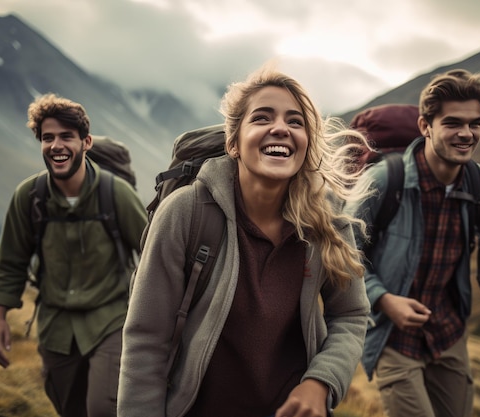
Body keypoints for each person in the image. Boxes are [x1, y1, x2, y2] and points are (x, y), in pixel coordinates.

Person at [117, 65, 372, 417]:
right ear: (233, 143)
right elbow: (146, 338)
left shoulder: (326, 222)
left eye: (295, 122)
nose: (280, 128)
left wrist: (322, 382)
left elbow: (351, 314)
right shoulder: (187, 213)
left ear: (307, 145)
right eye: (262, 118)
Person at [351, 69, 480, 417]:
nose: (466, 133)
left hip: (448, 335)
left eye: (474, 124)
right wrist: (384, 300)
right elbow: (343, 254)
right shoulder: (385, 180)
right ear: (425, 126)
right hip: (392, 338)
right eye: (452, 123)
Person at [0, 94, 148, 417]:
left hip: (111, 321)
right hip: (56, 329)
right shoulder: (29, 198)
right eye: (48, 138)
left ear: (85, 142)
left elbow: (153, 255)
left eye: (66, 137)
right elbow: (10, 261)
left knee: (103, 408)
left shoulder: (116, 194)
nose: (56, 145)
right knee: (68, 409)